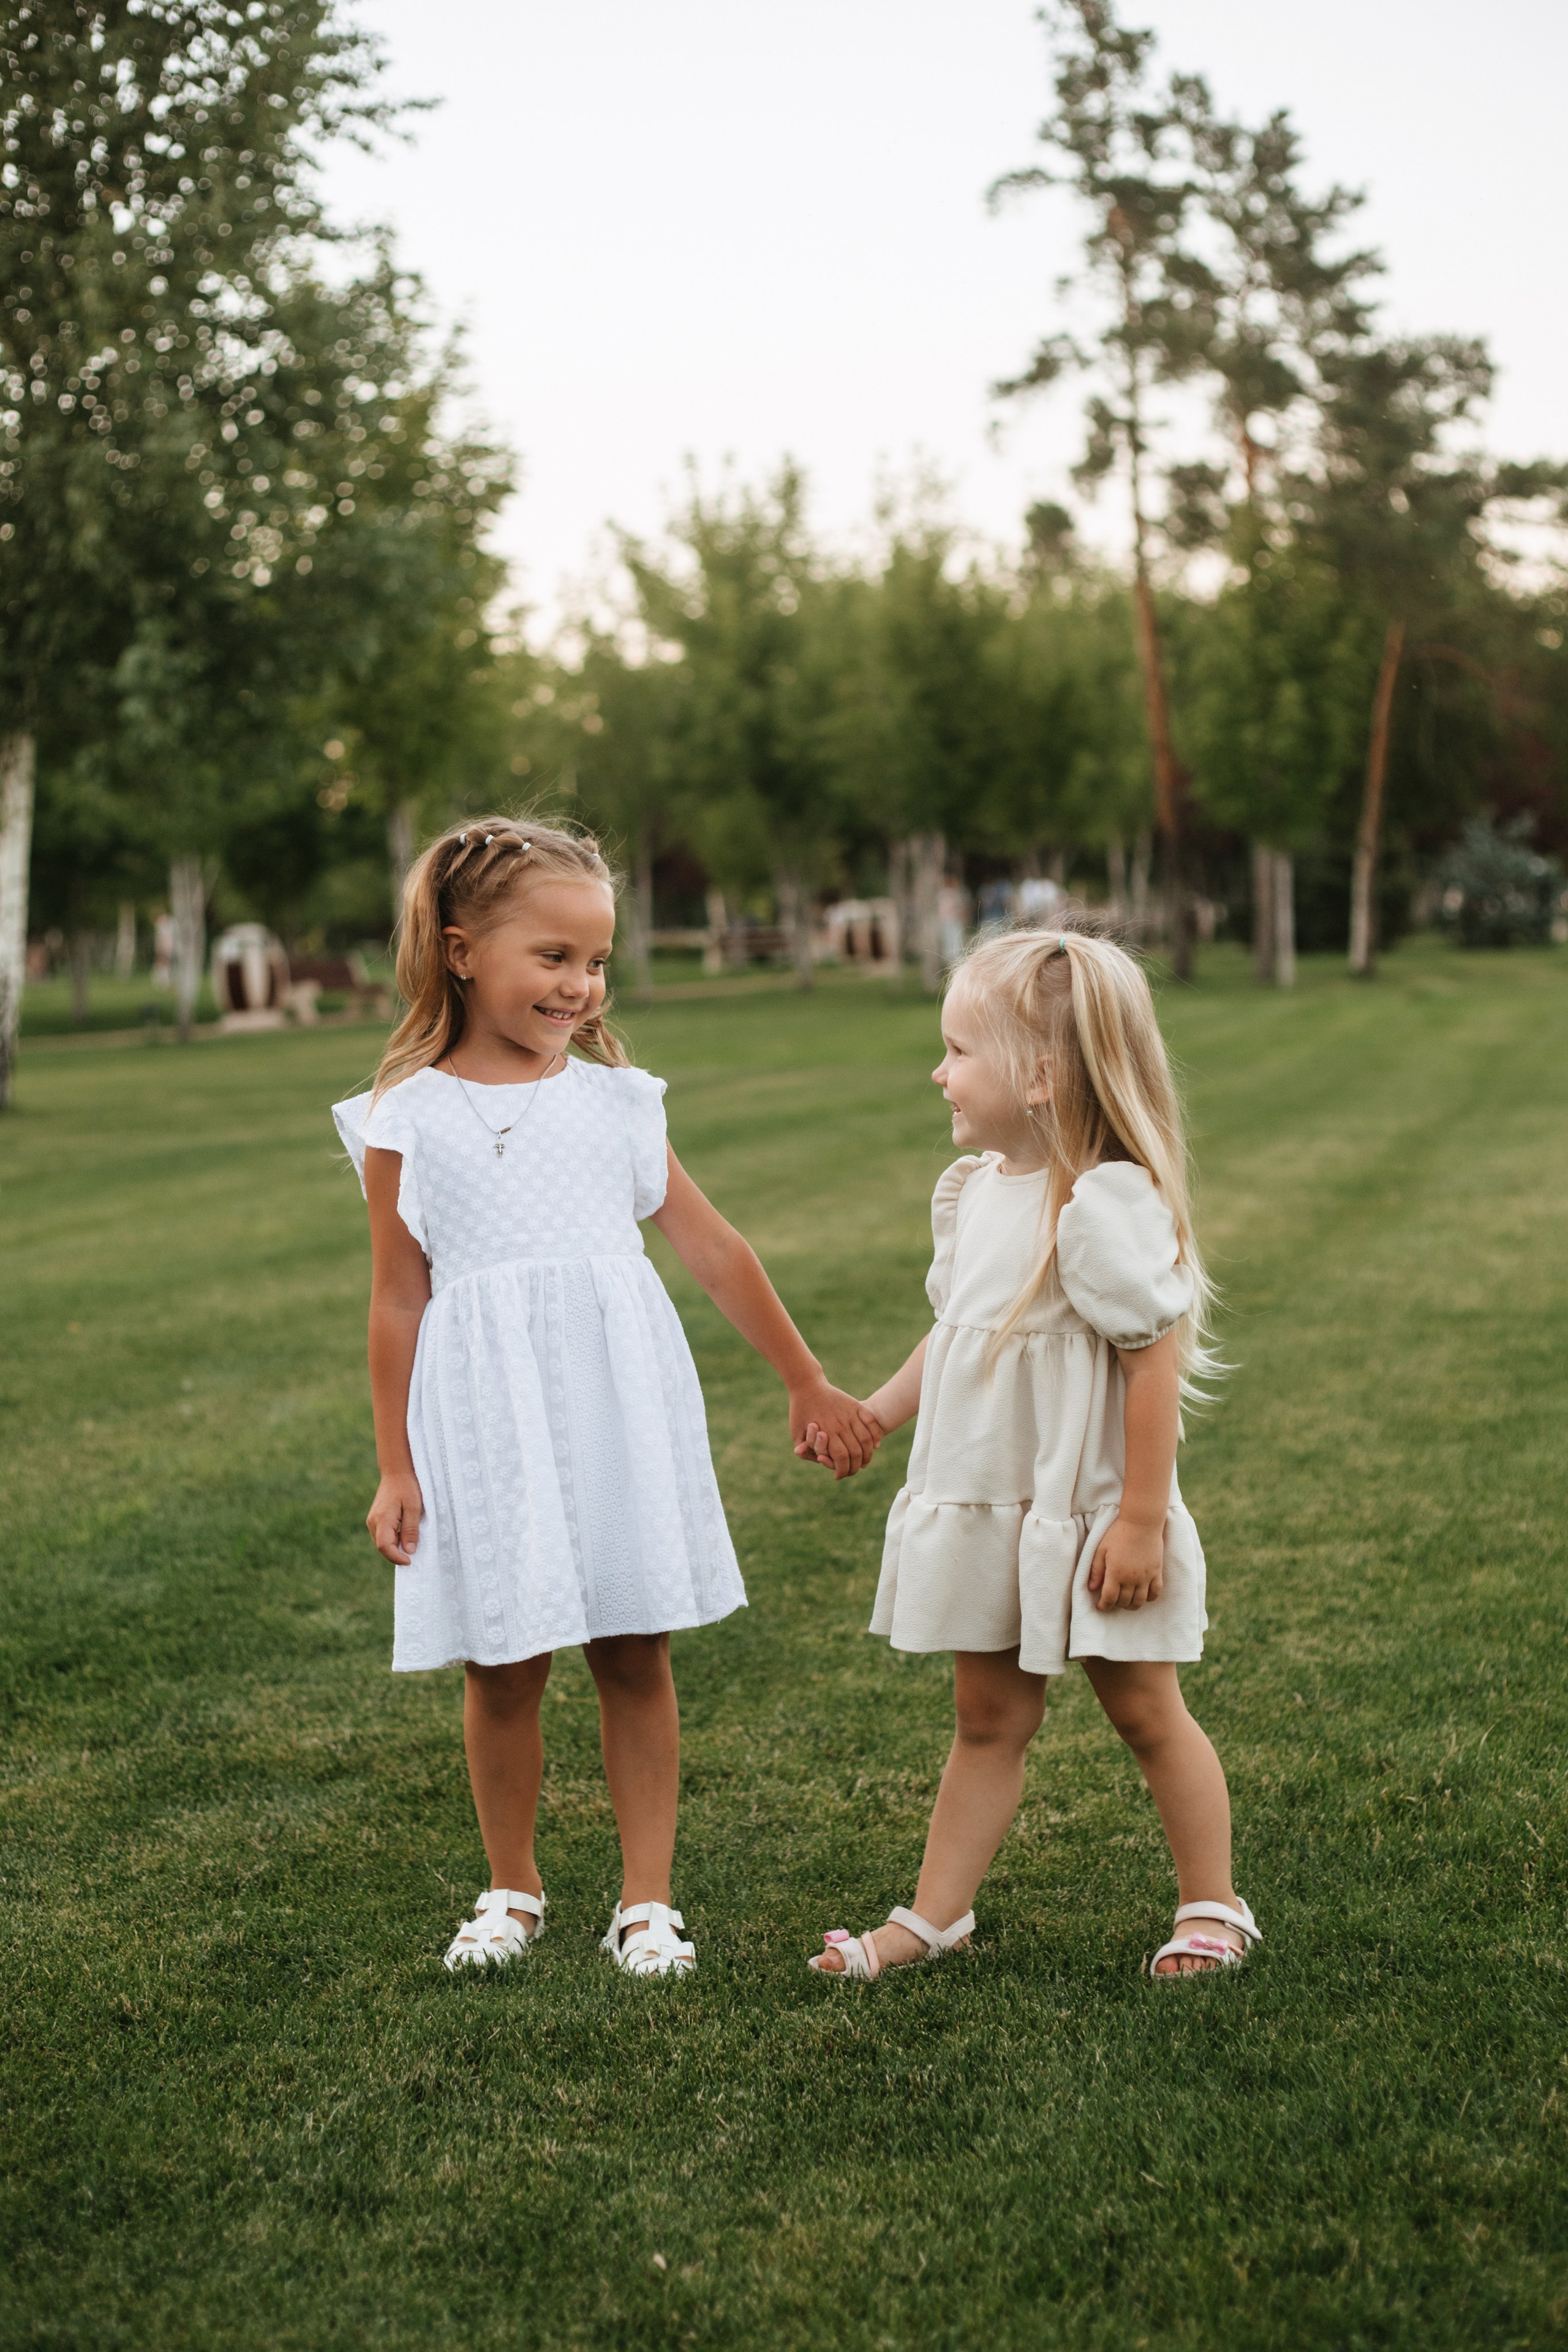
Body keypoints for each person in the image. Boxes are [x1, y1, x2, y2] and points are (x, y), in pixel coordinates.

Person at [334, 817, 878, 1979]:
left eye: (596, 962)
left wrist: (804, 1377)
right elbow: (395, 1300)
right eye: (554, 958)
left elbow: (714, 1248)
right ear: (462, 948)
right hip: (488, 1415)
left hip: (618, 1401)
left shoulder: (620, 1103)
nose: (580, 986)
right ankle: (512, 1885)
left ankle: (645, 1900)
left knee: (636, 1649)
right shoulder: (405, 1116)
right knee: (504, 1660)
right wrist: (396, 1462)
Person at [804, 924, 1257, 1983]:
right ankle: (934, 1917)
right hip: (989, 1499)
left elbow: (1152, 1363)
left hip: (1093, 1514)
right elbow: (959, 1331)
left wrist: (1140, 1518)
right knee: (986, 1717)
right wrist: (875, 1412)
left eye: (960, 1049)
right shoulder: (974, 1191)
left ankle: (1212, 1908)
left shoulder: (1099, 1204)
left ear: (1043, 1074)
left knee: (1146, 1710)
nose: (938, 1070)